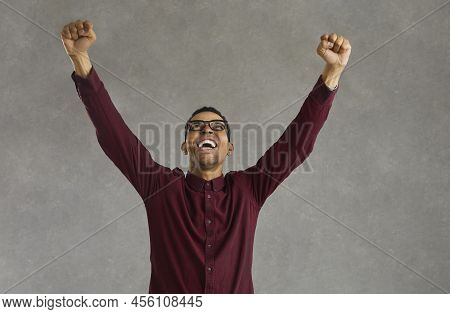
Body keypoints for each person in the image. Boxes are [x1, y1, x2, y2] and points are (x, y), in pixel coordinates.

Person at [61, 19, 351, 294]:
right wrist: (81, 61)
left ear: (229, 147)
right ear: (186, 145)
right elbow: (115, 136)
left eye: (217, 127)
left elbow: (297, 143)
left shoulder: (248, 189)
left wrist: (331, 75)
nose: (206, 130)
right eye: (196, 127)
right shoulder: (161, 188)